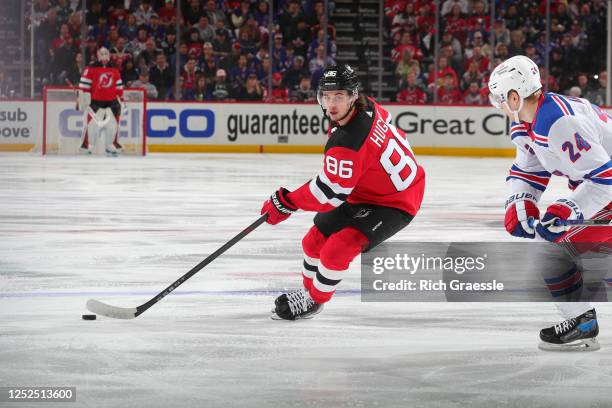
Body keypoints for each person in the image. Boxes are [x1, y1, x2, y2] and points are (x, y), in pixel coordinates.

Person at [260, 64, 426, 320]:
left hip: (398, 201)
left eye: (338, 96)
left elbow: (329, 194)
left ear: (352, 96)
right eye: (326, 96)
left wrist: (286, 202)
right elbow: (388, 125)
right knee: (312, 242)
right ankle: (307, 292)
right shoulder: (367, 105)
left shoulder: (347, 142)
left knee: (337, 248)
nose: (331, 104)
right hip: (366, 190)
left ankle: (314, 301)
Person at [488, 55, 611, 351]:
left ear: (515, 97)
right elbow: (527, 170)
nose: (498, 105)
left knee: (550, 245)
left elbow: (606, 178)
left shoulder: (557, 122)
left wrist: (567, 208)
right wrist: (521, 202)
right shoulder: (528, 122)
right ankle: (580, 319)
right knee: (548, 242)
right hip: (601, 189)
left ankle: (581, 321)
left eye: (500, 98)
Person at [78, 47, 125, 155]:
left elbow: (118, 85)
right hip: (95, 101)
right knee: (91, 125)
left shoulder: (114, 68)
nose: (104, 56)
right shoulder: (91, 68)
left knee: (113, 125)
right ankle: (87, 145)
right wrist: (81, 98)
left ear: (109, 55)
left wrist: (121, 99)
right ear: (98, 56)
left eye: (106, 54)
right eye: (102, 54)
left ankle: (110, 144)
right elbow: (84, 85)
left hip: (112, 101)